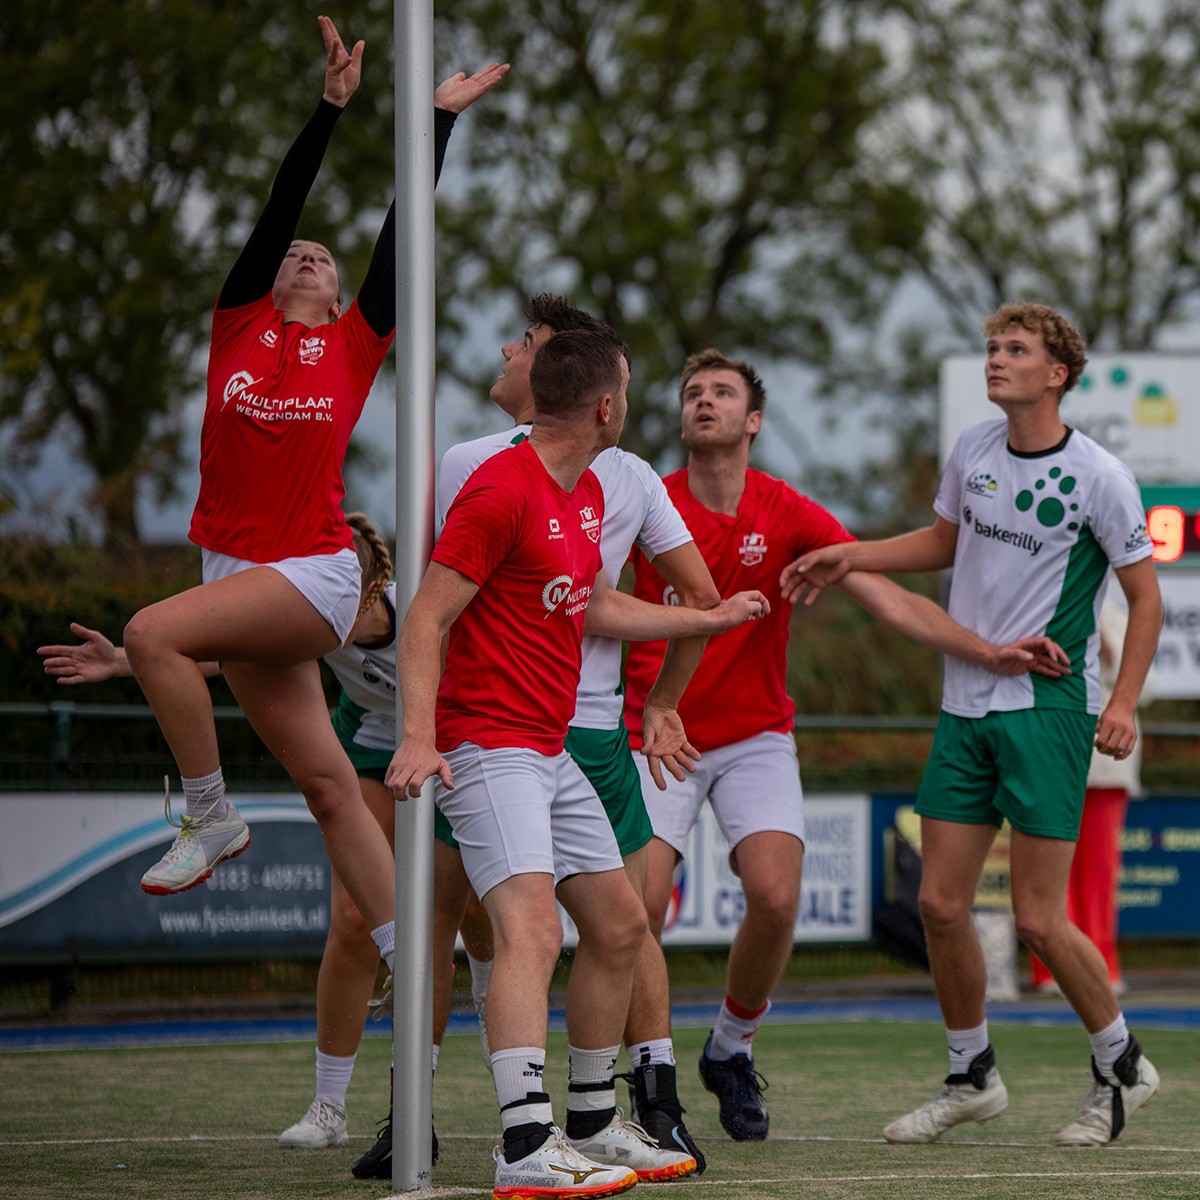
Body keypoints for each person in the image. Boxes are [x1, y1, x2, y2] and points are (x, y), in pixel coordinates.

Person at [115, 13, 505, 1008]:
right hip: (232, 570)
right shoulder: (238, 327)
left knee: (150, 633)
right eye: (297, 253)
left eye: (323, 260)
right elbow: (278, 205)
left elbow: (396, 233)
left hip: (316, 569)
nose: (306, 255)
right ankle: (407, 953)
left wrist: (435, 123)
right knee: (332, 790)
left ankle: (209, 814)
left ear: (340, 298)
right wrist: (326, 111)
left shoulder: (353, 346)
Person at [623, 347, 1072, 1144]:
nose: (704, 401)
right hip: (657, 729)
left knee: (775, 896)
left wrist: (987, 651)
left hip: (757, 732)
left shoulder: (787, 511)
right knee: (638, 913)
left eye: (722, 392)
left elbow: (885, 597)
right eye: (693, 391)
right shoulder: (648, 503)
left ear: (753, 420)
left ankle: (730, 1050)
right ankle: (654, 1090)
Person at [386, 329, 766, 1198]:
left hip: (550, 747)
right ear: (605, 408)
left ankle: (593, 1123)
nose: (633, 401)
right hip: (489, 745)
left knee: (622, 926)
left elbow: (590, 602)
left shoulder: (586, 489)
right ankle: (525, 1141)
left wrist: (701, 623)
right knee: (531, 931)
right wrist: (418, 734)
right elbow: (424, 619)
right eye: (626, 388)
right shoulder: (499, 490)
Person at [783, 303, 1163, 1147]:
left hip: (1048, 710)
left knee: (1037, 919)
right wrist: (851, 551)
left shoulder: (1101, 475)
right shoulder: (974, 452)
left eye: (1016, 349)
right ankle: (972, 1074)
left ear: (1056, 373)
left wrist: (1125, 702)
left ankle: (1122, 1063)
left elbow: (1146, 598)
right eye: (992, 347)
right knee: (939, 903)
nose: (997, 358)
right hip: (964, 709)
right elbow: (940, 541)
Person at [36, 514, 493, 1159]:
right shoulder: (315, 619)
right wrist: (122, 659)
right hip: (367, 750)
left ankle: (490, 991)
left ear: (365, 590)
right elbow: (238, 649)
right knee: (352, 923)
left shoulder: (423, 612)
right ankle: (330, 1106)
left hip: (450, 745)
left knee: (466, 907)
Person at [1030, 589, 1142, 995]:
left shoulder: (1118, 615)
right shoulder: (1043, 613)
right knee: (1045, 867)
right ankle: (1049, 971)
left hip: (1107, 768)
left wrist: (1101, 637)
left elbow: (1143, 688)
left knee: (1098, 872)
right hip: (1051, 755)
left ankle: (1102, 969)